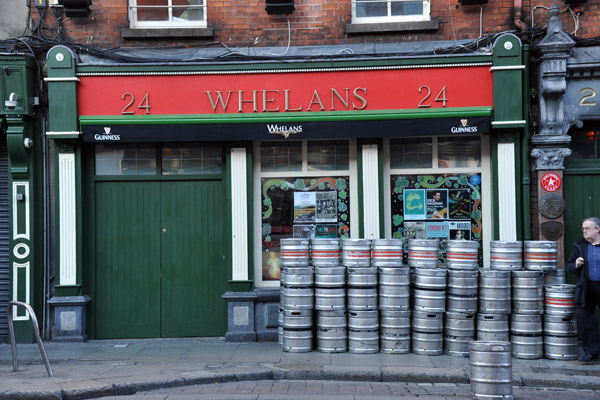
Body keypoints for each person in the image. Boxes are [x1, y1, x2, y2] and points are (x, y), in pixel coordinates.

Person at [566, 217, 600, 363]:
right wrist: (576, 265)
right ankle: (592, 352)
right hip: (586, 288)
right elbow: (568, 267)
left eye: (587, 228)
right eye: (583, 229)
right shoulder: (579, 246)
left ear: (597, 229)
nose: (584, 231)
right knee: (586, 319)